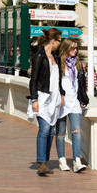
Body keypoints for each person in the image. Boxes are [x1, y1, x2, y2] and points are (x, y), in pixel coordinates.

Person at [27, 28, 64, 176]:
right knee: (44, 130)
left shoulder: (55, 56)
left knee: (51, 132)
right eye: (59, 41)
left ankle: (45, 162)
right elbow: (34, 80)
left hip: (54, 99)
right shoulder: (39, 56)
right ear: (53, 40)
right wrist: (34, 99)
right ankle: (41, 163)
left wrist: (62, 94)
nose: (60, 44)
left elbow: (58, 79)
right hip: (42, 97)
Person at [55, 38, 89, 173]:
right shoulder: (58, 63)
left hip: (74, 101)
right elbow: (56, 82)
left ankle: (77, 160)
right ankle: (62, 160)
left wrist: (83, 98)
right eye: (72, 48)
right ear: (66, 48)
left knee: (76, 132)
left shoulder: (78, 64)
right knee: (61, 133)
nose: (75, 51)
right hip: (62, 101)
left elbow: (81, 84)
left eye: (76, 48)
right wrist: (60, 95)